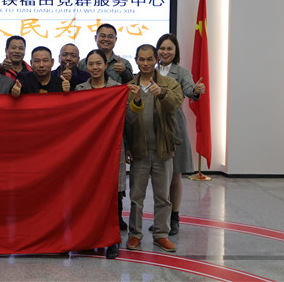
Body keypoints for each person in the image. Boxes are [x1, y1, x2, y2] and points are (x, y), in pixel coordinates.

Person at [75, 49, 143, 259]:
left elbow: (129, 120)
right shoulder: (79, 89)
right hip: (88, 151)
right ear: (86, 66)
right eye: (91, 64)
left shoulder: (117, 88)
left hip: (112, 149)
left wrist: (136, 101)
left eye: (99, 63)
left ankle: (113, 240)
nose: (95, 67)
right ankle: (88, 238)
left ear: (106, 65)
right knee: (88, 195)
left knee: (113, 196)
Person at [124, 44, 183, 253]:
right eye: (141, 59)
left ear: (156, 59)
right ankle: (134, 234)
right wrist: (127, 147)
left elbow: (175, 105)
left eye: (150, 59)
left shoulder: (169, 83)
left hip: (162, 149)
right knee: (136, 197)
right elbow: (126, 121)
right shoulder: (129, 87)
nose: (146, 63)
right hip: (139, 150)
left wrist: (162, 93)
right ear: (136, 60)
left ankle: (161, 235)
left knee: (163, 197)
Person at [155, 33, 205, 235]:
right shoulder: (151, 70)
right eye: (162, 48)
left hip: (174, 126)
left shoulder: (182, 72)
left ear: (175, 52)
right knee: (159, 176)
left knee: (175, 174)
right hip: (153, 126)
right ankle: (161, 218)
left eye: (169, 48)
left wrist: (196, 90)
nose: (165, 52)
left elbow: (190, 90)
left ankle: (174, 217)